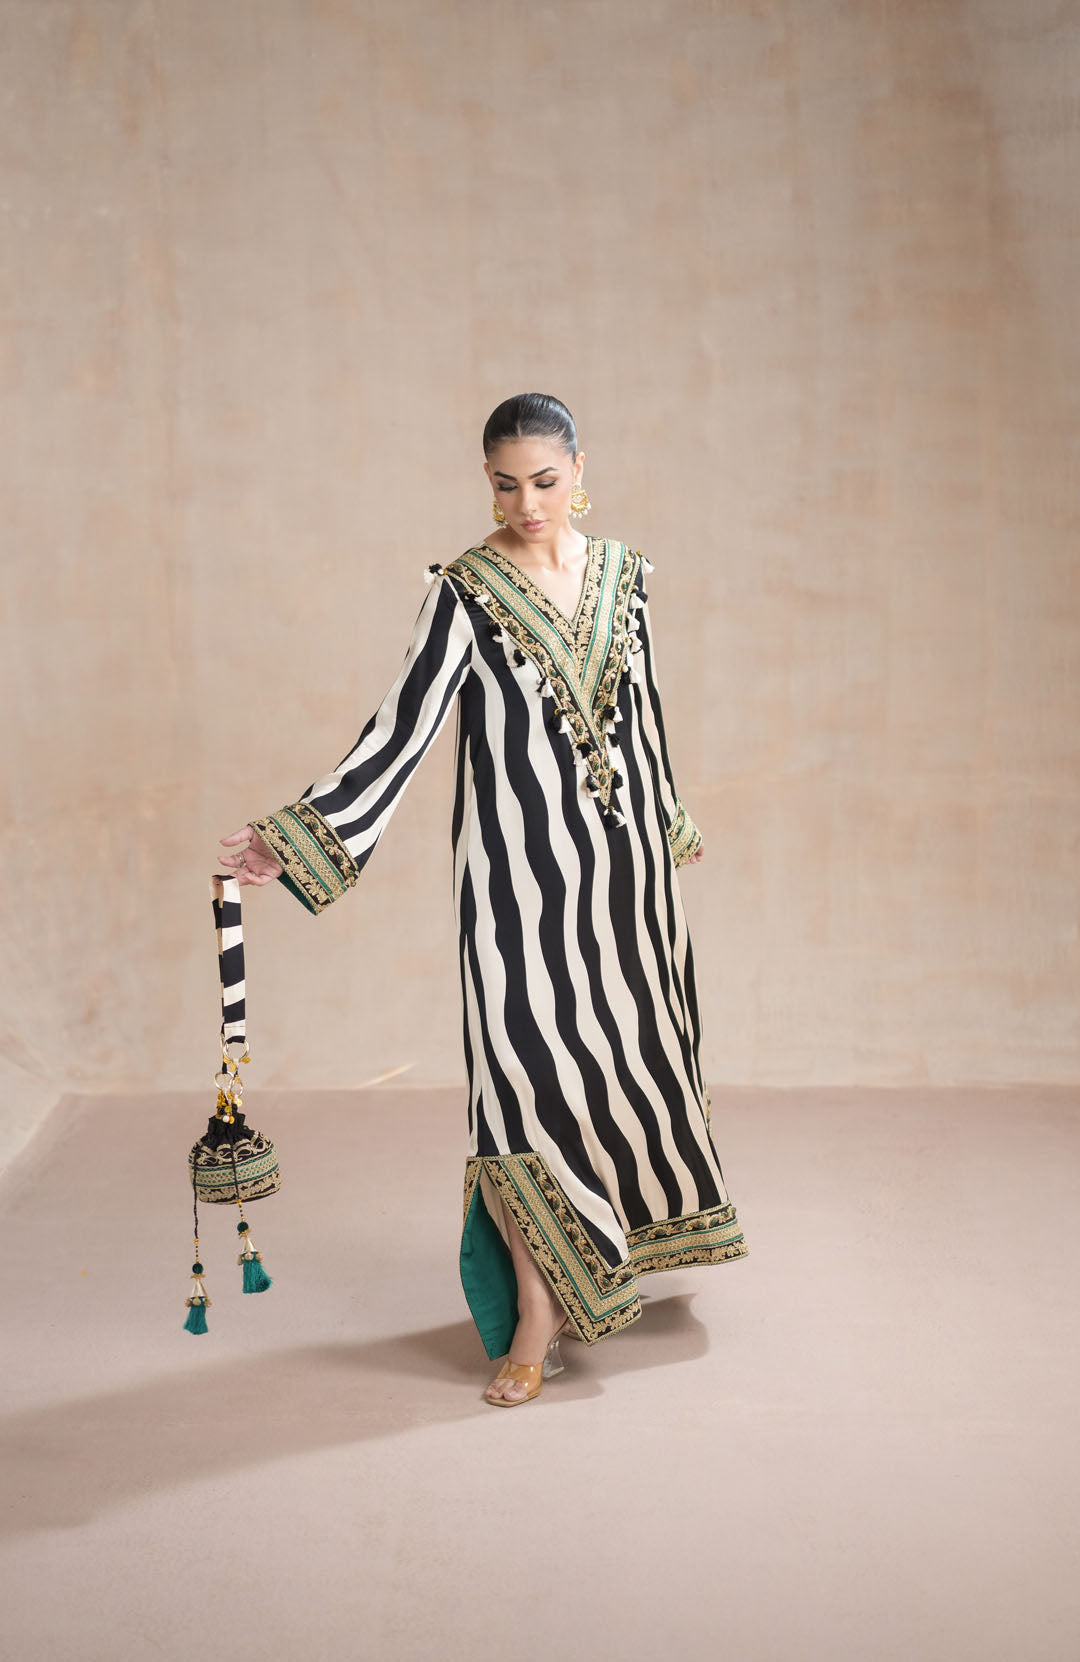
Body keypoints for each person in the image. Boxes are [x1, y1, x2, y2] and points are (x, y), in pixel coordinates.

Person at [219, 392, 748, 1406]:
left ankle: (604, 1263)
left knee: (621, 1072)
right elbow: (400, 731)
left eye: (544, 481)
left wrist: (669, 822)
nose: (525, 503)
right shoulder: (464, 592)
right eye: (505, 485)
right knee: (518, 1088)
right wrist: (298, 837)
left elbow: (645, 716)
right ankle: (535, 1314)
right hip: (516, 888)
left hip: (626, 878)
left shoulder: (625, 576)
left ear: (579, 470)